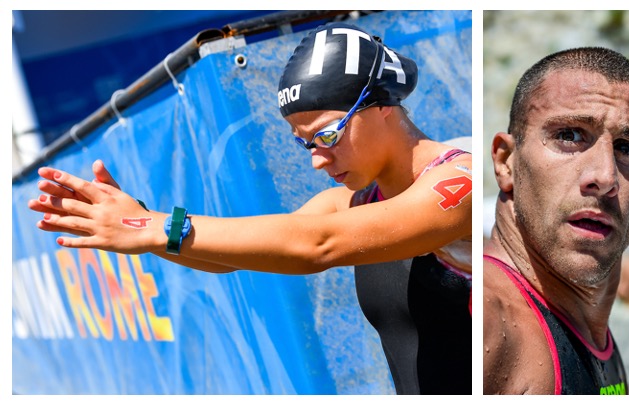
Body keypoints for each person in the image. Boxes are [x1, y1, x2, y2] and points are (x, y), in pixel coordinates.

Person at [27, 22, 472, 395]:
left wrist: (156, 226)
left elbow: (319, 246)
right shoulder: (352, 202)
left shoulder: (460, 180)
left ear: (381, 105)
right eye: (305, 144)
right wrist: (142, 226)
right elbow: (231, 259)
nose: (317, 159)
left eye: (328, 135)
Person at [483, 47, 629, 394]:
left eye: (628, 148)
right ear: (506, 163)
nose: (606, 176)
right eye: (569, 135)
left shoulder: (586, 324)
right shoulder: (486, 318)